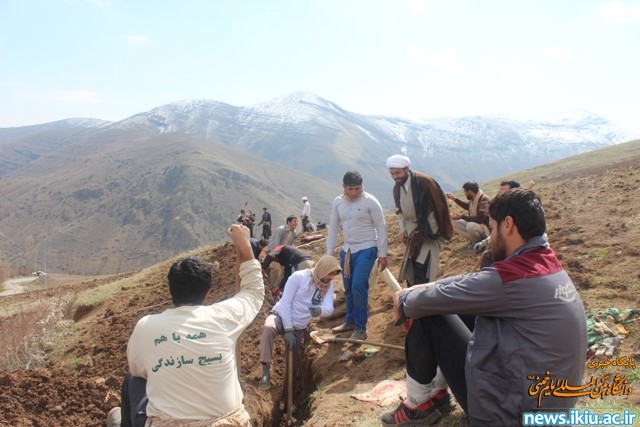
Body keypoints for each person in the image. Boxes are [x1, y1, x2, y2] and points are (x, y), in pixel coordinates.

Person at [381, 189, 587, 426]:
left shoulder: (512, 279)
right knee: (455, 306)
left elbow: (433, 299)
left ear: (507, 225)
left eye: (492, 226)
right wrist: (425, 286)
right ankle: (437, 395)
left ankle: (418, 406)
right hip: (545, 407)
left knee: (429, 314)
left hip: (511, 415)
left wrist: (406, 301)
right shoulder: (543, 264)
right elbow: (472, 284)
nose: (490, 235)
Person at [112, 224, 263, 427]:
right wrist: (244, 243)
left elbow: (139, 370)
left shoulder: (146, 326)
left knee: (132, 379)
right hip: (226, 422)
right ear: (207, 292)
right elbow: (253, 292)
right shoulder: (224, 317)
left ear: (171, 291)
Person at [258, 255, 341, 388]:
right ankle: (265, 371)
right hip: (281, 316)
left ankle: (287, 400)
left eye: (333, 275)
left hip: (299, 327)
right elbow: (285, 304)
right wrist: (288, 329)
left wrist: (320, 310)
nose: (331, 278)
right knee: (269, 327)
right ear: (323, 269)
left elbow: (329, 308)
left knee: (293, 366)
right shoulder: (299, 277)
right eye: (330, 274)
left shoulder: (328, 286)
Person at [326, 171, 388, 341]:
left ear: (362, 186)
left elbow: (381, 227)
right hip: (347, 251)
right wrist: (328, 255)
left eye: (357, 189)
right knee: (347, 287)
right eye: (350, 189)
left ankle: (361, 328)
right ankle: (350, 321)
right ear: (343, 187)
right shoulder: (338, 202)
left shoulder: (370, 202)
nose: (354, 193)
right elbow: (333, 229)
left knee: (359, 286)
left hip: (367, 248)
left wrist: (383, 254)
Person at [386, 154, 453, 287]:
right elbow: (400, 211)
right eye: (392, 174)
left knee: (424, 269)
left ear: (406, 169)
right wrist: (403, 229)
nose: (395, 177)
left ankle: (424, 301)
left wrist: (430, 232)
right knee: (412, 269)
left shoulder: (424, 182)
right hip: (412, 235)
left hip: (429, 233)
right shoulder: (398, 188)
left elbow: (439, 206)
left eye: (397, 173)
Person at [445, 181, 490, 246]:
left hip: (485, 228)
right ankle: (473, 240)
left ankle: (477, 243)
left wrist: (462, 217)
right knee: (453, 222)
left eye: (465, 191)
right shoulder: (474, 198)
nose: (464, 193)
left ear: (470, 191)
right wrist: (454, 199)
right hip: (477, 226)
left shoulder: (484, 199)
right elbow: (467, 206)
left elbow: (480, 219)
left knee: (470, 226)